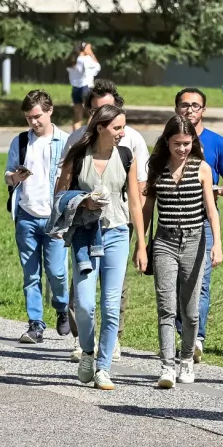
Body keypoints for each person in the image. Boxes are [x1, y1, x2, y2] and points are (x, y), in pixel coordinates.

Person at [55, 104, 148, 391]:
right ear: (100, 128)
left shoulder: (125, 155)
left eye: (124, 126)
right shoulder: (79, 155)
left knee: (110, 306)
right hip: (85, 234)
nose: (123, 132)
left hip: (118, 233)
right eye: (117, 127)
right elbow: (59, 194)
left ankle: (103, 367)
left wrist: (142, 245)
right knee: (83, 304)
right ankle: (87, 351)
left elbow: (134, 202)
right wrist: (83, 202)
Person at [144, 117, 222, 388]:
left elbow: (211, 209)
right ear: (167, 142)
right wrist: (140, 246)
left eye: (187, 144)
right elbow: (147, 210)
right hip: (164, 242)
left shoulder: (201, 168)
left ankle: (186, 359)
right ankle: (166, 366)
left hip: (194, 241)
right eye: (177, 143)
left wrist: (217, 244)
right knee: (166, 308)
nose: (182, 149)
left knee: (189, 311)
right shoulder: (156, 168)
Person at [174, 86, 223, 363]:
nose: (190, 109)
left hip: (203, 220)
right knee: (177, 283)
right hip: (173, 222)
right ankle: (182, 332)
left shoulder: (216, 142)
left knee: (200, 282)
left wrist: (218, 190)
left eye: (196, 105)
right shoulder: (170, 141)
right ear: (176, 109)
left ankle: (196, 337)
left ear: (204, 110)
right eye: (185, 105)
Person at [5, 89, 70, 344]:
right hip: (27, 216)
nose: (33, 122)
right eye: (29, 117)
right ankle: (35, 324)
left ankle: (62, 307)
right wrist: (14, 177)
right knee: (30, 274)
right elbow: (7, 175)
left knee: (57, 272)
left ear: (50, 111)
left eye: (37, 116)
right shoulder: (21, 142)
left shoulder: (65, 141)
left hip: (55, 218)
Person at [66, 43, 101, 128]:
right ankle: (88, 135)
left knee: (77, 116)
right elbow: (97, 67)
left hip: (75, 89)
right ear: (84, 49)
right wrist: (91, 53)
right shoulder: (86, 59)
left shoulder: (73, 60)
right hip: (86, 87)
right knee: (94, 113)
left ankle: (75, 138)